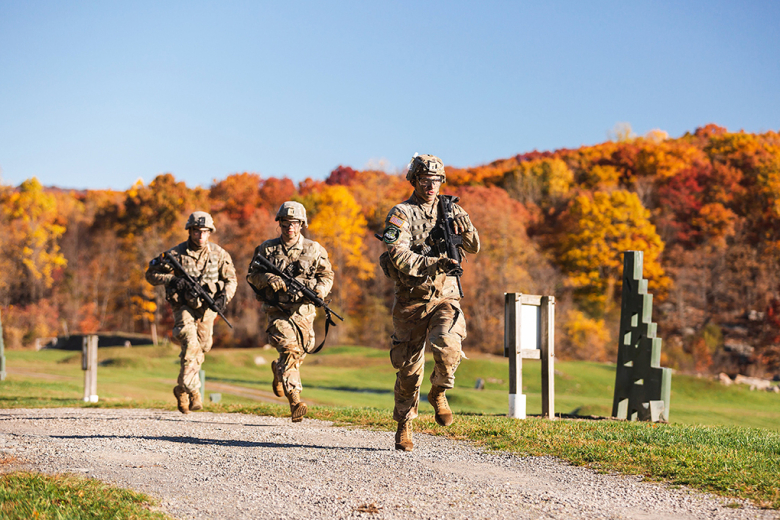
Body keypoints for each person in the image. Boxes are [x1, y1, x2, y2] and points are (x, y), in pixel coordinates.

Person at [380, 154, 480, 451]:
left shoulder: (452, 210)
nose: (431, 186)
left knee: (449, 346)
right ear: (414, 180)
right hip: (411, 299)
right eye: (425, 180)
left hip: (445, 295)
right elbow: (397, 254)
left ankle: (438, 391)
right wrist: (433, 263)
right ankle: (405, 425)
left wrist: (466, 226)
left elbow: (474, 247)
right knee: (409, 371)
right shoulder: (401, 213)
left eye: (436, 180)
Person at [247, 201, 334, 423]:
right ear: (280, 223)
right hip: (278, 311)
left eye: (294, 223)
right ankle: (295, 400)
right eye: (285, 223)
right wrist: (268, 278)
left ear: (302, 224)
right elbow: (252, 276)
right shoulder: (266, 249)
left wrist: (320, 291)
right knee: (289, 349)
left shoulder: (314, 249)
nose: (290, 228)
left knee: (303, 349)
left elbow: (327, 276)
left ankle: (279, 371)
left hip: (304, 311)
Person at [145, 211, 237, 414]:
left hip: (207, 308)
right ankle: (195, 392)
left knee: (201, 348)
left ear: (210, 232)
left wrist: (223, 299)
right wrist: (173, 280)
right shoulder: (175, 254)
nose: (201, 236)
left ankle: (181, 389)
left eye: (205, 232)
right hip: (183, 308)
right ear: (190, 231)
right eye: (197, 231)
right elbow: (150, 274)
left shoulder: (219, 254)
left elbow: (232, 280)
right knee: (190, 343)